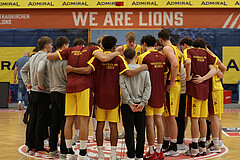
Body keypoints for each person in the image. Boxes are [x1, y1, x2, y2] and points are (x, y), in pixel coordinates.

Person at [65, 36, 147, 160]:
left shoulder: (96, 59)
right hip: (113, 97)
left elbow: (87, 70)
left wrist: (72, 69)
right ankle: (113, 155)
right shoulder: (118, 58)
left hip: (99, 97)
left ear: (102, 46)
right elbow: (129, 74)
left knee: (99, 125)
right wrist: (142, 67)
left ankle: (100, 154)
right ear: (114, 46)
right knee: (113, 126)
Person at [46, 37, 123, 160]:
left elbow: (49, 57)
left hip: (70, 87)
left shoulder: (69, 50)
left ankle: (69, 152)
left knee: (69, 120)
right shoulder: (92, 49)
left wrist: (70, 68)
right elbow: (103, 58)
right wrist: (117, 52)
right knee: (84, 121)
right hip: (84, 88)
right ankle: (82, 153)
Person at [183, 38, 217, 157]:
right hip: (205, 89)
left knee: (194, 119)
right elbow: (214, 70)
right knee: (202, 119)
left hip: (194, 89)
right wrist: (203, 78)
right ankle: (203, 146)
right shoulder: (207, 53)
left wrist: (188, 77)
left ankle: (194, 148)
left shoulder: (189, 51)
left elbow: (187, 63)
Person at [21, 36, 52, 156]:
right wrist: (41, 84)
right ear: (45, 46)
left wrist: (27, 83)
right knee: (41, 119)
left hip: (33, 92)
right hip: (42, 92)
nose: (52, 46)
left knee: (32, 119)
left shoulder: (33, 57)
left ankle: (30, 145)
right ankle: (39, 147)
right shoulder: (45, 57)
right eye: (50, 44)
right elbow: (40, 70)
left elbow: (23, 70)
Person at [138, 35, 168, 160]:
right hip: (160, 92)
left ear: (144, 44)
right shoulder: (163, 57)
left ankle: (151, 151)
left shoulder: (142, 57)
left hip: (148, 94)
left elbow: (139, 76)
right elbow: (165, 77)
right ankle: (160, 151)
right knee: (159, 122)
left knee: (149, 123)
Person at [193, 43, 227, 153]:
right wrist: (219, 73)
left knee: (214, 117)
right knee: (214, 117)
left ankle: (216, 143)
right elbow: (223, 70)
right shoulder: (214, 57)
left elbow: (221, 71)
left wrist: (204, 78)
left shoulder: (207, 58)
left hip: (214, 89)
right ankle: (218, 141)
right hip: (215, 89)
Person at [120, 47, 151, 160]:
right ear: (136, 56)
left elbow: (122, 88)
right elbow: (148, 87)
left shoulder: (123, 71)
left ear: (124, 58)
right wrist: (143, 103)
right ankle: (139, 156)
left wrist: (129, 102)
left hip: (127, 105)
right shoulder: (144, 71)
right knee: (141, 131)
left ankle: (131, 155)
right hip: (141, 105)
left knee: (128, 130)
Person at [158, 29, 181, 157]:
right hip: (175, 84)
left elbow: (175, 65)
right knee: (166, 116)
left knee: (171, 117)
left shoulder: (167, 49)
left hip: (172, 85)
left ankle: (174, 146)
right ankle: (167, 142)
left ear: (160, 39)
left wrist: (171, 82)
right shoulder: (176, 48)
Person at [46, 36, 70, 159]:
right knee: (65, 122)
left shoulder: (50, 59)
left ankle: (52, 149)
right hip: (63, 92)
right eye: (68, 46)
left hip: (53, 91)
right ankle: (64, 150)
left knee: (54, 122)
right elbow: (67, 77)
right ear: (64, 46)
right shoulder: (64, 60)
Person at [176, 37, 194, 150]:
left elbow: (187, 63)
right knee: (184, 117)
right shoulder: (199, 54)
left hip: (182, 91)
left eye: (182, 47)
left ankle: (179, 140)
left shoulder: (186, 54)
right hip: (187, 90)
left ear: (185, 45)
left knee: (180, 117)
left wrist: (187, 77)